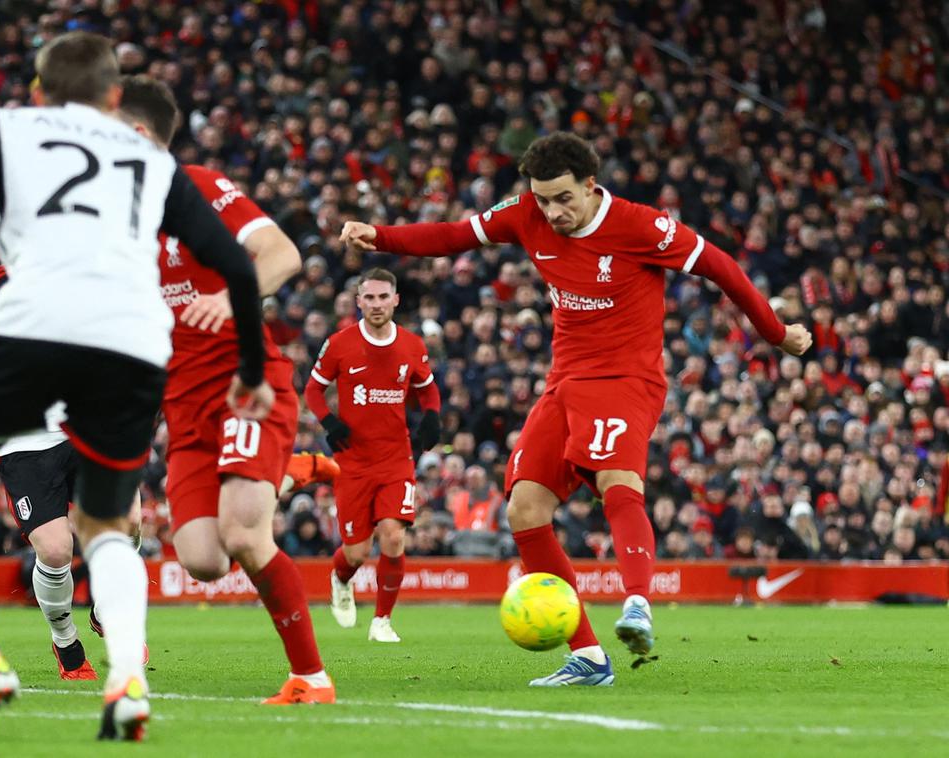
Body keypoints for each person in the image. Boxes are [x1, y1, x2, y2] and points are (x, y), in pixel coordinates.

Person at [341, 132, 811, 685]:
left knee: (616, 477)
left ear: (591, 186)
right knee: (524, 510)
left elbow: (723, 268)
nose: (552, 212)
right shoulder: (525, 214)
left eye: (563, 198)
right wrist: (383, 237)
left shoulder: (642, 225)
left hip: (627, 379)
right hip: (564, 381)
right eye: (542, 199)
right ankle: (588, 656)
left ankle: (638, 604)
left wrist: (776, 334)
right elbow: (454, 234)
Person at [0, 33, 270, 741]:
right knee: (110, 528)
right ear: (114, 98)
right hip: (133, 344)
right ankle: (126, 679)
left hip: (37, 328)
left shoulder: (5, 128)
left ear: (39, 93)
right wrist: (253, 370)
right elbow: (233, 259)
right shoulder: (149, 158)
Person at [118, 76, 334, 704]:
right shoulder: (114, 221)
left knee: (244, 535)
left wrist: (228, 291)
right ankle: (287, 471)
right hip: (182, 408)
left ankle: (311, 678)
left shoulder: (199, 190)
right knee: (204, 559)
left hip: (247, 386)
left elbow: (281, 253)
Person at [0, 263, 143, 682]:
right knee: (56, 550)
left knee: (129, 523)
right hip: (25, 438)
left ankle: (107, 608)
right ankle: (65, 640)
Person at [303, 268, 442, 643]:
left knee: (393, 536)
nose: (377, 304)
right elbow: (313, 391)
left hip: (397, 459)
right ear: (358, 301)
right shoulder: (339, 344)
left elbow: (428, 391)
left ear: (395, 300)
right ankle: (340, 579)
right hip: (354, 462)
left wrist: (431, 417)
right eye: (370, 298)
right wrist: (329, 422)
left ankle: (382, 620)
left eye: (384, 297)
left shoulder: (413, 345)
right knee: (356, 551)